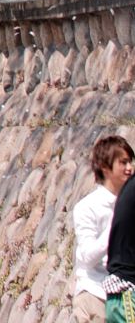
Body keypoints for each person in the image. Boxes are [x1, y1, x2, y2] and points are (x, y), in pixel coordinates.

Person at [78, 136, 134, 321]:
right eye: (123, 162)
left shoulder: (128, 201)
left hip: (125, 290)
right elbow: (86, 257)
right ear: (105, 167)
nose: (129, 168)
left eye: (131, 162)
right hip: (95, 292)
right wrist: (116, 228)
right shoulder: (87, 206)